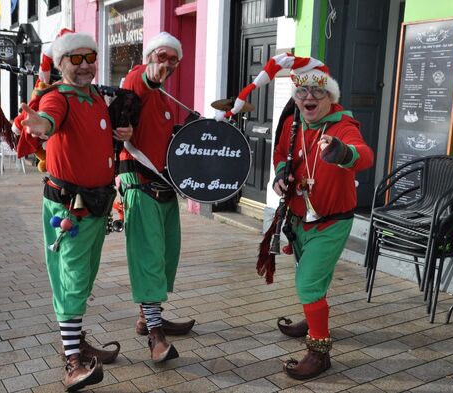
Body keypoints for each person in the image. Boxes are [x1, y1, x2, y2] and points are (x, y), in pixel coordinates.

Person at [222, 54, 374, 380]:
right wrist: (279, 175)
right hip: (297, 217)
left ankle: (320, 353)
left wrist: (341, 153)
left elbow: (364, 155)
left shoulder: (342, 125)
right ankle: (312, 318)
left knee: (307, 283)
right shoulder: (293, 124)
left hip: (331, 221)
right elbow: (280, 154)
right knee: (310, 278)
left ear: (330, 96)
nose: (309, 97)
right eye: (302, 91)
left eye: (318, 91)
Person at [18, 31, 133, 391]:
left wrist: (121, 134)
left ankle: (77, 342)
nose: (84, 66)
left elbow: (94, 135)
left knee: (83, 275)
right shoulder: (59, 98)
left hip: (96, 202)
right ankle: (72, 362)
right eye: (75, 59)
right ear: (62, 63)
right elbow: (48, 120)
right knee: (72, 278)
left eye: (89, 58)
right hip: (71, 206)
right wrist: (41, 125)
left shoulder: (94, 95)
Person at [118, 31, 195, 363]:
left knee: (165, 256)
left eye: (172, 59)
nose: (165, 63)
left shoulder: (164, 98)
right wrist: (149, 76)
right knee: (149, 258)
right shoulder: (139, 79)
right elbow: (138, 84)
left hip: (164, 186)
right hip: (140, 182)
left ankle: (146, 316)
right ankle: (155, 335)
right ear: (148, 57)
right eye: (160, 56)